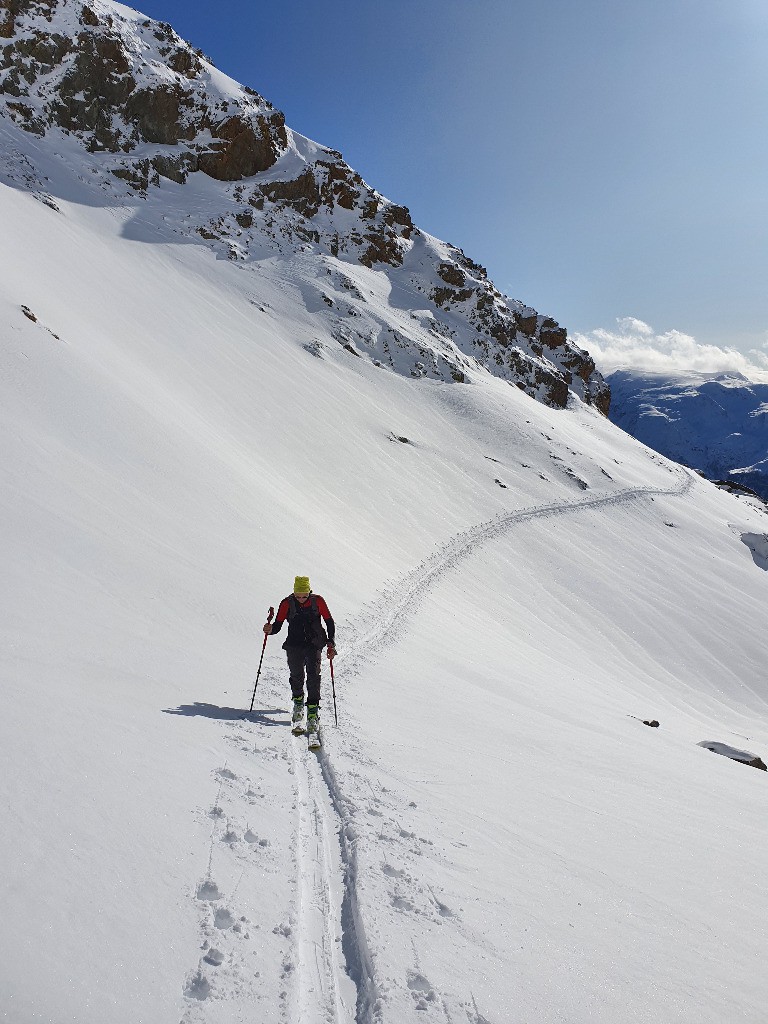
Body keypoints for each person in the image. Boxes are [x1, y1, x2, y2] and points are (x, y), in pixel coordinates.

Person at [263, 576, 336, 738]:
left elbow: (329, 622)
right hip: (294, 644)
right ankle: (298, 703)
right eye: (298, 595)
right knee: (296, 676)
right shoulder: (287, 603)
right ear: (294, 592)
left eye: (304, 595)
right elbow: (278, 625)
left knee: (313, 677)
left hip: (314, 643)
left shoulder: (318, 602)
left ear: (309, 592)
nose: (301, 599)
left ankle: (312, 711)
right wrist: (270, 629)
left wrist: (331, 643)